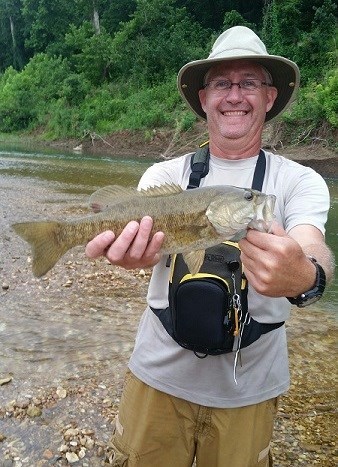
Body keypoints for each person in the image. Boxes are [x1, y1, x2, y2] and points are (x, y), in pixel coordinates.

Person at [85, 26, 334, 467]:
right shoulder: (163, 176)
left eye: (248, 83)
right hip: (157, 376)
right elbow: (143, 256)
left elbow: (312, 245)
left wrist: (309, 278)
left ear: (270, 97)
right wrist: (129, 261)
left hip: (250, 389)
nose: (234, 95)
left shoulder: (299, 182)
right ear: (203, 98)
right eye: (222, 83)